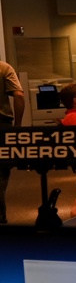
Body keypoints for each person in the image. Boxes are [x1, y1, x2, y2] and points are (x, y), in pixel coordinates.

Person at [0, 60, 24, 224]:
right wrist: (17, 127)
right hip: (1, 125)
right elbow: (19, 95)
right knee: (0, 174)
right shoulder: (3, 67)